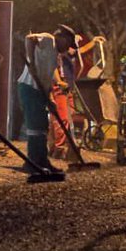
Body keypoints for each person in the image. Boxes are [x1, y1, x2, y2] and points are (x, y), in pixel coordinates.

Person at [17, 30, 61, 172]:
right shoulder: (49, 40)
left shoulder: (55, 56)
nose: (68, 49)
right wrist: (31, 64)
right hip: (29, 87)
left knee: (42, 127)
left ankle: (43, 161)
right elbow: (29, 38)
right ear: (63, 38)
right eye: (69, 44)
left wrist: (50, 99)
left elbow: (47, 79)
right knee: (35, 127)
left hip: (40, 91)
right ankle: (32, 163)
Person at [50, 25, 79, 159]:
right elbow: (52, 68)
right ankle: (59, 148)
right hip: (58, 87)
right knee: (62, 118)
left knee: (65, 116)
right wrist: (59, 82)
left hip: (66, 86)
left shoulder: (61, 54)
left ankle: (55, 146)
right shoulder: (51, 51)